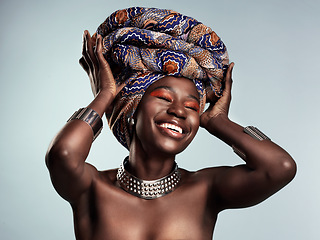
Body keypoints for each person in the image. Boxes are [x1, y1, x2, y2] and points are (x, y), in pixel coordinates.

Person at [45, 7, 296, 240]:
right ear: (133, 109)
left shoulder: (206, 190)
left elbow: (280, 167)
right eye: (164, 98)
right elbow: (63, 153)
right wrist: (105, 96)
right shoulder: (91, 188)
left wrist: (219, 121)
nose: (178, 111)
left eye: (191, 106)